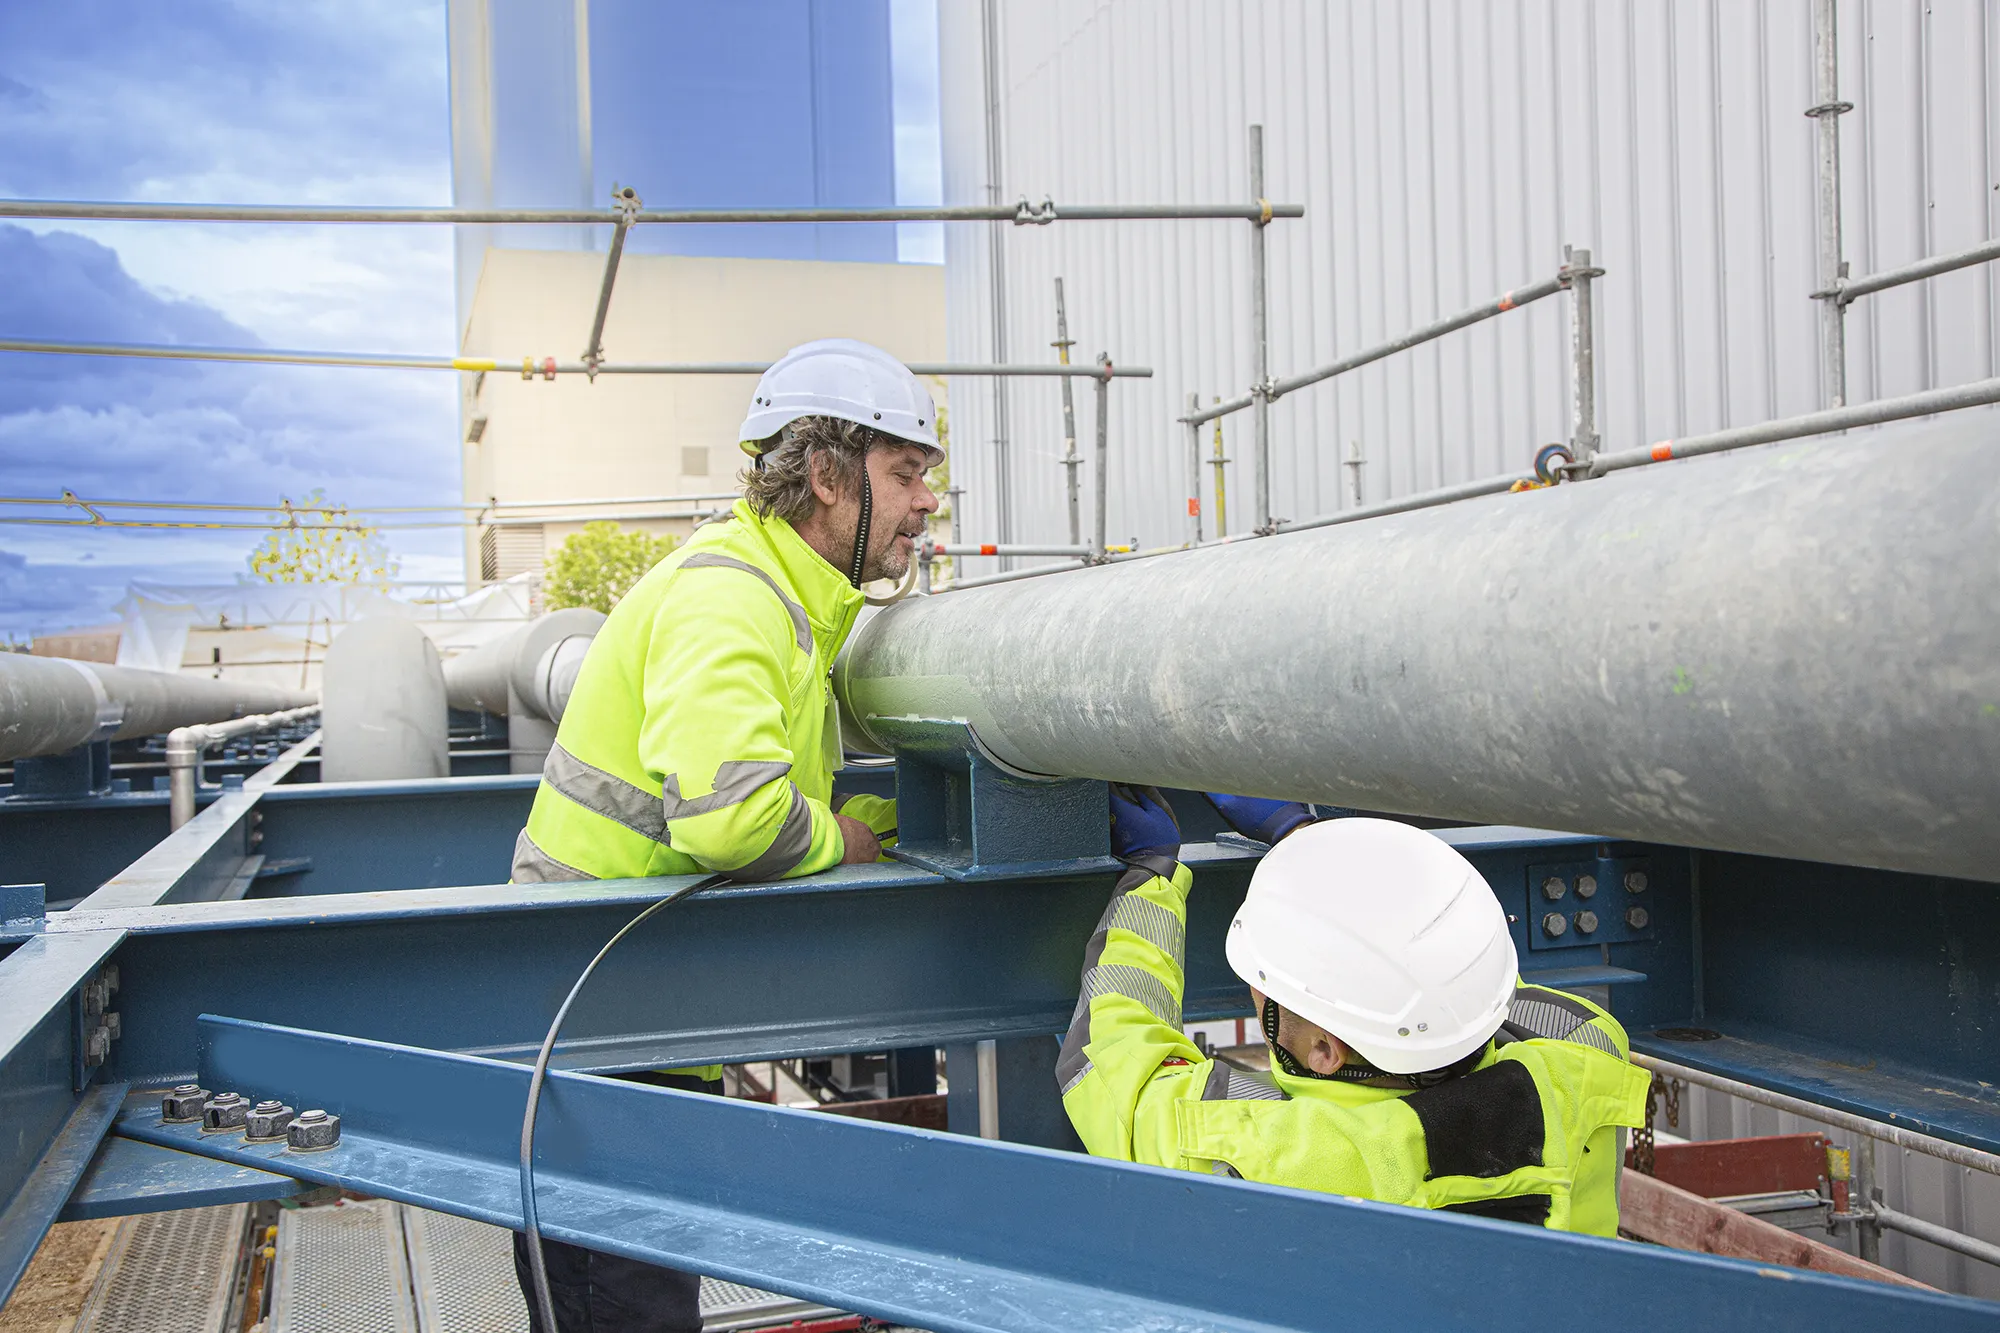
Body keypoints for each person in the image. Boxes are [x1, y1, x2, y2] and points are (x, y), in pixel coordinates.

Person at [506, 338, 942, 1332]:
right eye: (905, 474)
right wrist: (855, 842)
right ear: (827, 478)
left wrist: (888, 818)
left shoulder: (782, 596)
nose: (924, 502)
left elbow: (769, 785)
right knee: (624, 1309)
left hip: (641, 1007)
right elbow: (731, 817)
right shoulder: (732, 598)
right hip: (602, 1032)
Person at [1059, 787, 1652, 1235]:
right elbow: (1458, 981)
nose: (1255, 992)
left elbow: (1115, 1073)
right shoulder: (1588, 1054)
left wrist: (1151, 877)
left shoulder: (1274, 1153)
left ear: (1324, 1050)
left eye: (1266, 986)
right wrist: (1316, 856)